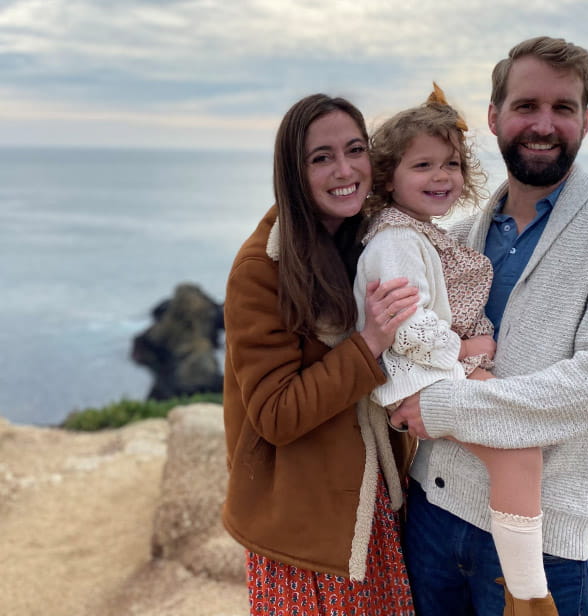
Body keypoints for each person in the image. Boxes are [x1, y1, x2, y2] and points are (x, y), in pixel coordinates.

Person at [390, 36, 588, 616]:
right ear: (494, 117)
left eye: (562, 107)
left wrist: (442, 408)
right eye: (526, 106)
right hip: (431, 517)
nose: (543, 124)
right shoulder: (453, 236)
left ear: (585, 121)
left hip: (542, 537)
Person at [354, 84, 558, 616]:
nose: (441, 176)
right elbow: (405, 328)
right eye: (422, 165)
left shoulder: (418, 232)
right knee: (519, 448)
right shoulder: (395, 240)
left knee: (518, 452)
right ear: (388, 177)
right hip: (421, 380)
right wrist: (469, 346)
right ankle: (529, 596)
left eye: (451, 164)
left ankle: (524, 592)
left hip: (432, 376)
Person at [220, 93, 420, 616]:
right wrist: (369, 343)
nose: (345, 170)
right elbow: (275, 414)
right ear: (294, 172)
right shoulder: (261, 269)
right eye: (321, 158)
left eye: (355, 150)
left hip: (372, 504)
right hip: (304, 529)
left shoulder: (374, 240)